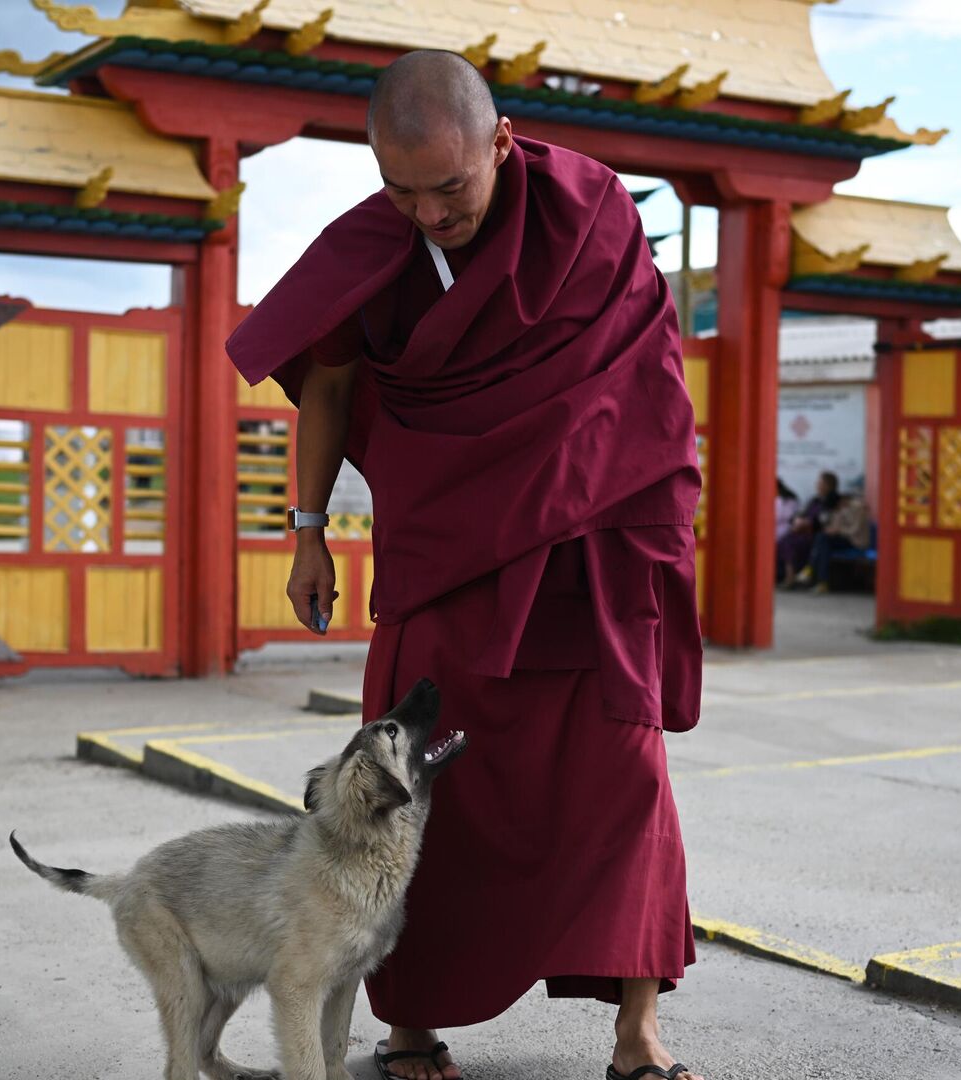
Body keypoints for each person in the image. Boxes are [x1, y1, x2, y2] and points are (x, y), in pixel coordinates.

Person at [226, 51, 704, 1080]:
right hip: (443, 556)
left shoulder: (591, 215)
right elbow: (329, 386)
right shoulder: (369, 244)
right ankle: (409, 1028)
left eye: (451, 188)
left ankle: (639, 1033)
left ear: (501, 141)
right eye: (403, 190)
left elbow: (648, 384)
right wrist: (307, 531)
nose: (431, 213)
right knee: (413, 791)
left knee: (623, 783)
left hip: (587, 555)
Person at [803, 490, 874, 594]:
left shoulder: (859, 509)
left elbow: (855, 530)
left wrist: (838, 530)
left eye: (837, 508)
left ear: (840, 502)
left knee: (823, 541)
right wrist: (832, 529)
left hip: (857, 541)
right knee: (822, 540)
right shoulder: (841, 509)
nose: (837, 510)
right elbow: (837, 524)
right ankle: (821, 581)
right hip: (844, 538)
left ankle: (811, 571)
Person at [779, 471, 839, 586]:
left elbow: (825, 521)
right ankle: (786, 576)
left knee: (790, 544)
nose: (817, 484)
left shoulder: (833, 501)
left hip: (815, 534)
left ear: (828, 485)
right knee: (784, 540)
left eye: (820, 482)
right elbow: (800, 514)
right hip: (802, 531)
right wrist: (797, 521)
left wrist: (809, 523)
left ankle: (793, 577)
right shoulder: (814, 500)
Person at [773, 478, 800, 584]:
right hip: (775, 528)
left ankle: (786, 576)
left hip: (786, 528)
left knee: (783, 542)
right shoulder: (775, 499)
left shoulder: (789, 499)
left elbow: (784, 517)